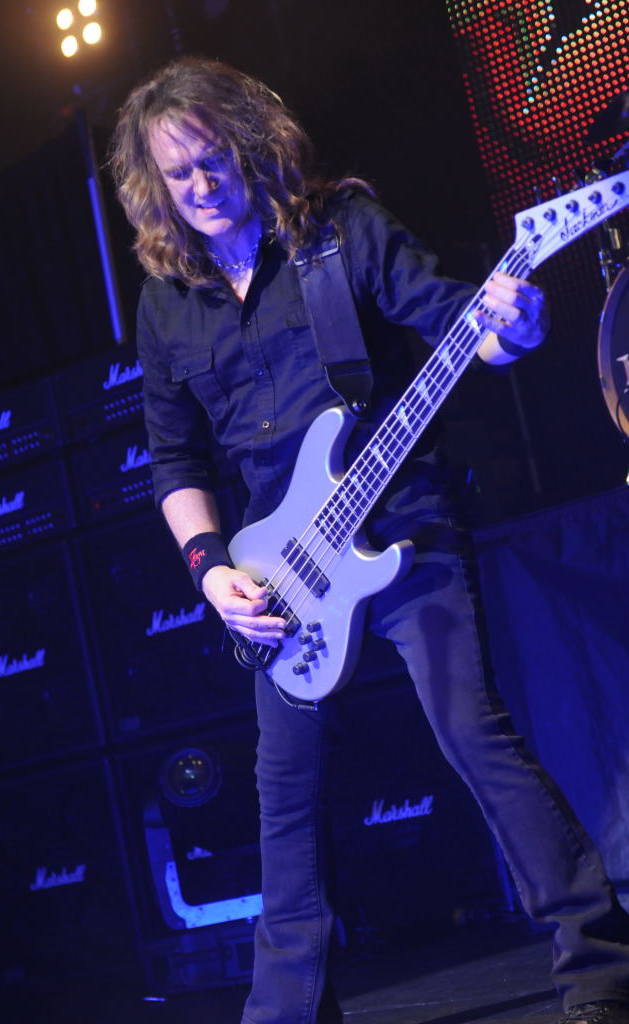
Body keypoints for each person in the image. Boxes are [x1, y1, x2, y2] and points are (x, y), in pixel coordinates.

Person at [110, 57, 629, 1024]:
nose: (202, 187)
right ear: (154, 187)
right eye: (178, 175)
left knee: (471, 731)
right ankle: (285, 1015)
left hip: (401, 519)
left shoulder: (339, 229)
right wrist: (211, 572)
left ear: (249, 144)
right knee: (285, 795)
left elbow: (459, 325)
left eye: (213, 160)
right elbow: (175, 462)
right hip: (276, 567)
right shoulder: (164, 303)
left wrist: (512, 328)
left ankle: (600, 971)